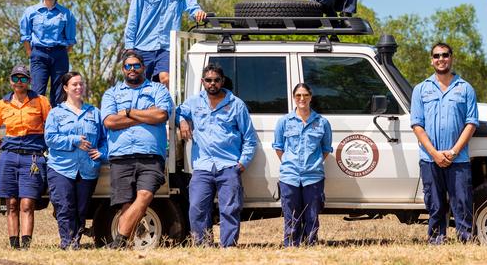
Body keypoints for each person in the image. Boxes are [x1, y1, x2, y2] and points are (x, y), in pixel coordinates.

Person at [177, 63, 257, 247]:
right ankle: (203, 245)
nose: (212, 84)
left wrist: (242, 163)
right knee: (196, 208)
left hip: (228, 165)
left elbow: (249, 138)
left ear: (222, 81)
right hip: (203, 166)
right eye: (208, 80)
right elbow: (177, 112)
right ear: (203, 82)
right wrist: (182, 121)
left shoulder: (236, 104)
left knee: (229, 209)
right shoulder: (194, 102)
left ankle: (228, 246)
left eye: (216, 80)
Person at [100, 51, 173, 249]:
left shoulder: (158, 89)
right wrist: (144, 115)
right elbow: (109, 121)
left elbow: (160, 115)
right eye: (128, 66)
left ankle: (118, 241)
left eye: (136, 66)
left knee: (145, 196)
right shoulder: (112, 93)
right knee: (126, 202)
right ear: (123, 69)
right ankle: (125, 246)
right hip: (121, 155)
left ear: (143, 67)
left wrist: (129, 112)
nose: (132, 69)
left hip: (150, 155)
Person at [410, 43, 479, 244]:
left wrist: (454, 152)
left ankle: (466, 240)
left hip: (459, 159)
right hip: (429, 159)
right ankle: (436, 240)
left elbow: (471, 123)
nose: (441, 59)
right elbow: (417, 125)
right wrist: (434, 154)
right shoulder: (421, 89)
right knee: (435, 203)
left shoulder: (465, 88)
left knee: (462, 202)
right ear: (431, 60)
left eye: (445, 55)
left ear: (451, 57)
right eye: (437, 56)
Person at [0, 65, 51, 249]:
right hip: (9, 157)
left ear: (29, 81)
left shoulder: (41, 101)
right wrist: (4, 147)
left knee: (27, 203)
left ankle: (26, 245)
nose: (19, 82)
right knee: (11, 203)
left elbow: (51, 129)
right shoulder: (2, 104)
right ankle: (14, 245)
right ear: (10, 81)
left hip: (32, 158)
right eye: (16, 78)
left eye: (23, 78)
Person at [124, 0, 207, 87]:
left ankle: (164, 108)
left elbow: (193, 7)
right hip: (143, 46)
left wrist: (198, 13)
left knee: (165, 79)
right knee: (140, 85)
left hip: (167, 47)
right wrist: (129, 47)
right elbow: (133, 17)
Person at [44, 71, 107, 250]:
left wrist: (102, 152)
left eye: (81, 84)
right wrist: (74, 140)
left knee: (81, 209)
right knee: (65, 207)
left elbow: (104, 139)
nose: (79, 87)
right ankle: (67, 243)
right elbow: (50, 139)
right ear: (65, 88)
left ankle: (75, 241)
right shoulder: (56, 113)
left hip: (87, 169)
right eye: (74, 84)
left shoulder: (94, 112)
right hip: (61, 168)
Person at [273, 83, 332, 247]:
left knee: (312, 215)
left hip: (313, 176)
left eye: (305, 95)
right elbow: (278, 147)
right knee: (291, 215)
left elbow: (326, 149)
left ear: (311, 97)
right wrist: (289, 163)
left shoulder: (322, 122)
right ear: (294, 98)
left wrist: (314, 163)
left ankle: (310, 244)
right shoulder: (284, 121)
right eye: (298, 95)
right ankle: (291, 245)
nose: (302, 98)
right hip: (289, 176)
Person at [19, 0, 77, 107]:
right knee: (37, 92)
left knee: (59, 93)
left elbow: (71, 40)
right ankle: (37, 125)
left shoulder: (66, 13)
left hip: (59, 55)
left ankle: (56, 123)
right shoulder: (31, 12)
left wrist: (62, 53)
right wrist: (30, 53)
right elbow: (25, 35)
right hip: (38, 55)